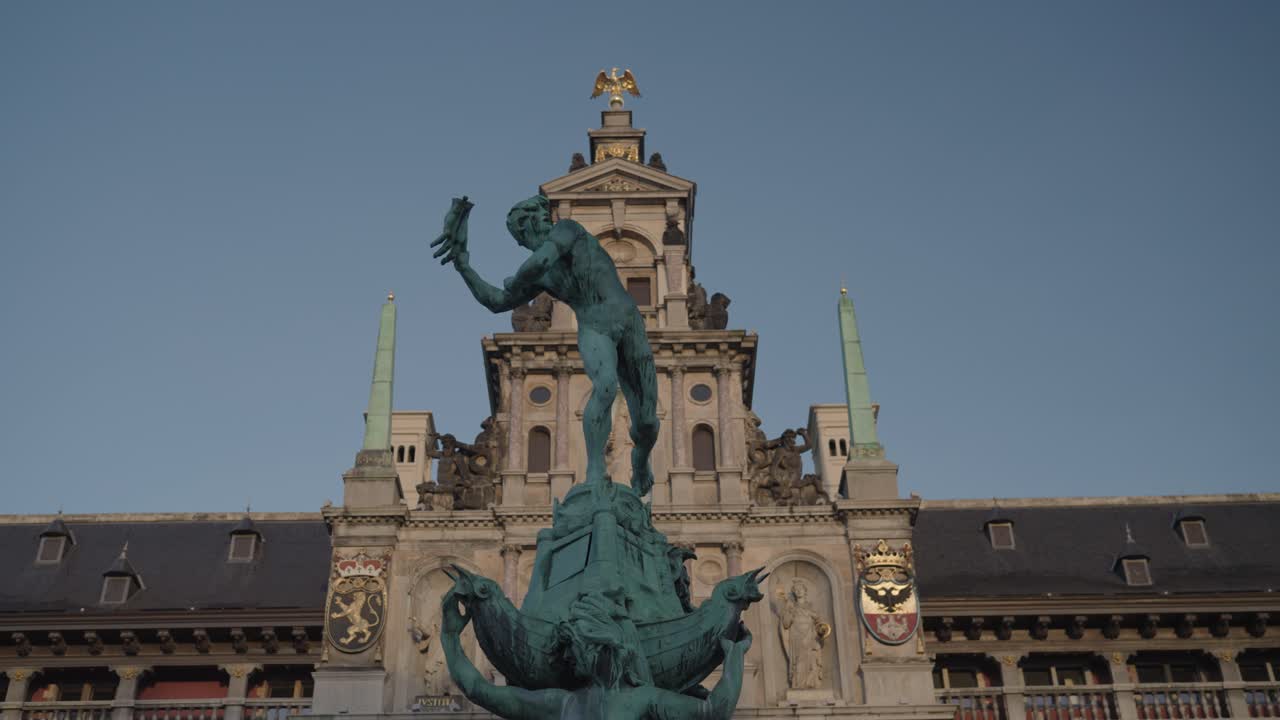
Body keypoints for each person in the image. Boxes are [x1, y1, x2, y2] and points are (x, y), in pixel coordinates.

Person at [431, 195, 659, 495]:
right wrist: (464, 267)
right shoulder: (544, 275)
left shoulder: (566, 229)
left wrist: (517, 281)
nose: (522, 243)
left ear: (532, 222)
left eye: (519, 235)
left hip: (627, 320)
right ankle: (594, 472)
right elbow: (496, 302)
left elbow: (540, 259)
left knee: (646, 420)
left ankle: (640, 462)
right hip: (593, 326)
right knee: (603, 387)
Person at [439, 586, 753, 719]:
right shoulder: (562, 703)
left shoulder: (641, 699)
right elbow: (479, 689)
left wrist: (735, 657)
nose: (569, 659)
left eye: (577, 649)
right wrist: (451, 635)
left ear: (602, 648)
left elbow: (715, 711)